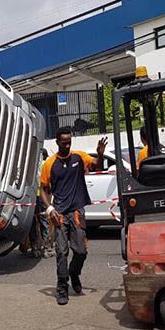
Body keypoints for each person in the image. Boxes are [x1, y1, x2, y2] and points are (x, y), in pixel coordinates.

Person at [40, 127, 107, 305]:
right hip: (60, 214)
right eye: (64, 143)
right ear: (57, 142)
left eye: (69, 142)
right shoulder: (49, 164)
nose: (67, 145)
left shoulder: (78, 157)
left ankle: (74, 273)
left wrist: (100, 155)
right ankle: (62, 287)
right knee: (61, 252)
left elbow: (96, 166)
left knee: (81, 251)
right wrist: (50, 209)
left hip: (77, 212)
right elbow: (43, 190)